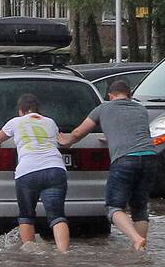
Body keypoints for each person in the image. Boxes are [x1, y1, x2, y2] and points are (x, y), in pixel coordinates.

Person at [59, 79, 156, 250]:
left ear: (110, 96)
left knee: (114, 207)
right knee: (140, 209)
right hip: (149, 157)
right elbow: (135, 132)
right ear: (130, 95)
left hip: (125, 159)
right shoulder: (141, 109)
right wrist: (111, 136)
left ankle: (135, 239)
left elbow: (78, 132)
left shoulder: (104, 108)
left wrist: (67, 142)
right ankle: (140, 249)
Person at [0, 93, 71, 252]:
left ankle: (29, 256)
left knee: (26, 216)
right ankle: (63, 254)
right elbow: (60, 140)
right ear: (38, 110)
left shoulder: (15, 122)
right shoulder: (50, 122)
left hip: (27, 172)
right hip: (55, 169)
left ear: (21, 110)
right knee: (57, 216)